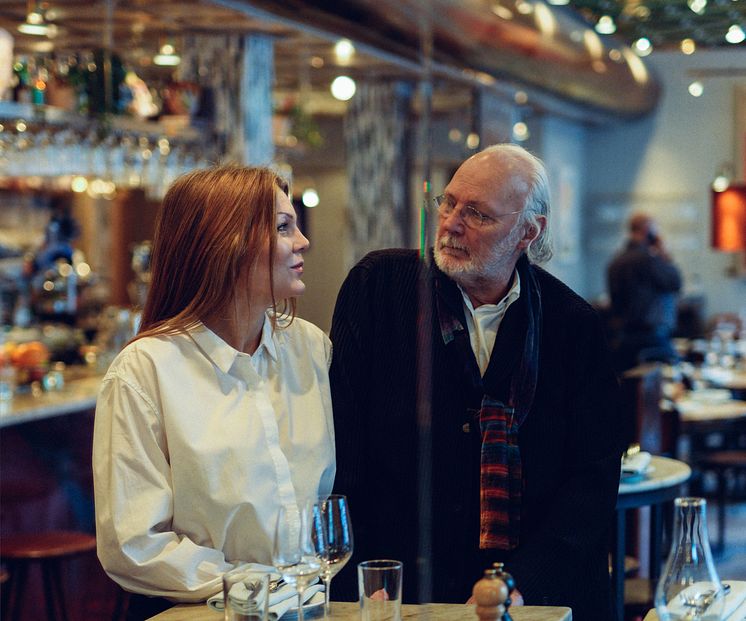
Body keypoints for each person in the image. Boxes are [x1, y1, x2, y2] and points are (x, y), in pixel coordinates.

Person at [330, 144, 623, 621]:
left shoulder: (572, 324)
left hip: (526, 592)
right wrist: (359, 572)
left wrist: (523, 583)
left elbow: (592, 479)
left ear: (529, 231)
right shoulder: (377, 289)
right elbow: (341, 447)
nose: (450, 224)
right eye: (448, 203)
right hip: (398, 585)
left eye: (478, 214)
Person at [92, 166, 336, 619]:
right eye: (284, 227)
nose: (302, 242)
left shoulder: (310, 348)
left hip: (310, 608)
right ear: (227, 243)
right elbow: (135, 544)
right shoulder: (145, 370)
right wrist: (266, 588)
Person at [607, 212, 682, 371]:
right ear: (648, 230)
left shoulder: (616, 261)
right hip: (652, 338)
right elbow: (675, 282)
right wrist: (664, 253)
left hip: (623, 338)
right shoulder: (648, 260)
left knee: (632, 390)